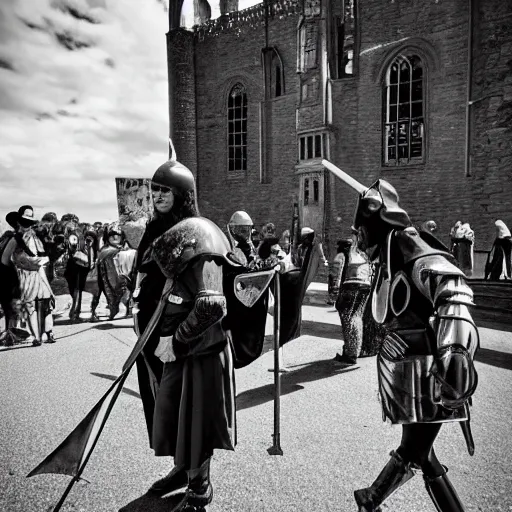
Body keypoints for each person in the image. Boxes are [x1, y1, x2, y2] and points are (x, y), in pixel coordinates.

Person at [322, 161, 479, 512]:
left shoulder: (408, 243)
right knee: (423, 455)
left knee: (417, 451)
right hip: (411, 374)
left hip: (433, 374)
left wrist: (454, 356)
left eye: (360, 228)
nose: (358, 235)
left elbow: (451, 289)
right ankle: (373, 498)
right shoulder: (388, 256)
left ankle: (371, 499)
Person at [132, 159, 236, 510]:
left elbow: (211, 303)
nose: (159, 196)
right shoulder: (153, 228)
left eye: (166, 190)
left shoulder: (198, 233)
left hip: (191, 345)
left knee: (193, 416)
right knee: (169, 411)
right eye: (155, 190)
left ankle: (199, 485)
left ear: (183, 195)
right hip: (154, 339)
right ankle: (182, 469)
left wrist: (174, 341)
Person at [11, 206, 55, 346]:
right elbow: (14, 258)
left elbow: (42, 255)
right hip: (26, 274)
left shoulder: (35, 237)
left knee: (47, 302)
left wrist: (43, 261)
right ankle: (36, 337)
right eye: (25, 221)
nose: (27, 225)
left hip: (39, 272)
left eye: (29, 222)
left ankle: (49, 332)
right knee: (30, 306)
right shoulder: (15, 238)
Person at [334, 234, 372, 364]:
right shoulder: (362, 255)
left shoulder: (341, 256)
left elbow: (335, 275)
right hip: (365, 287)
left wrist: (333, 293)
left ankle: (350, 354)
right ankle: (354, 350)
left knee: (348, 319)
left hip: (350, 287)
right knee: (357, 318)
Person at [327, 239, 351, 305]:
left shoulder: (342, 255)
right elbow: (337, 269)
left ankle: (334, 299)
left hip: (338, 277)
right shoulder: (342, 255)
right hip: (338, 277)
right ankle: (334, 299)